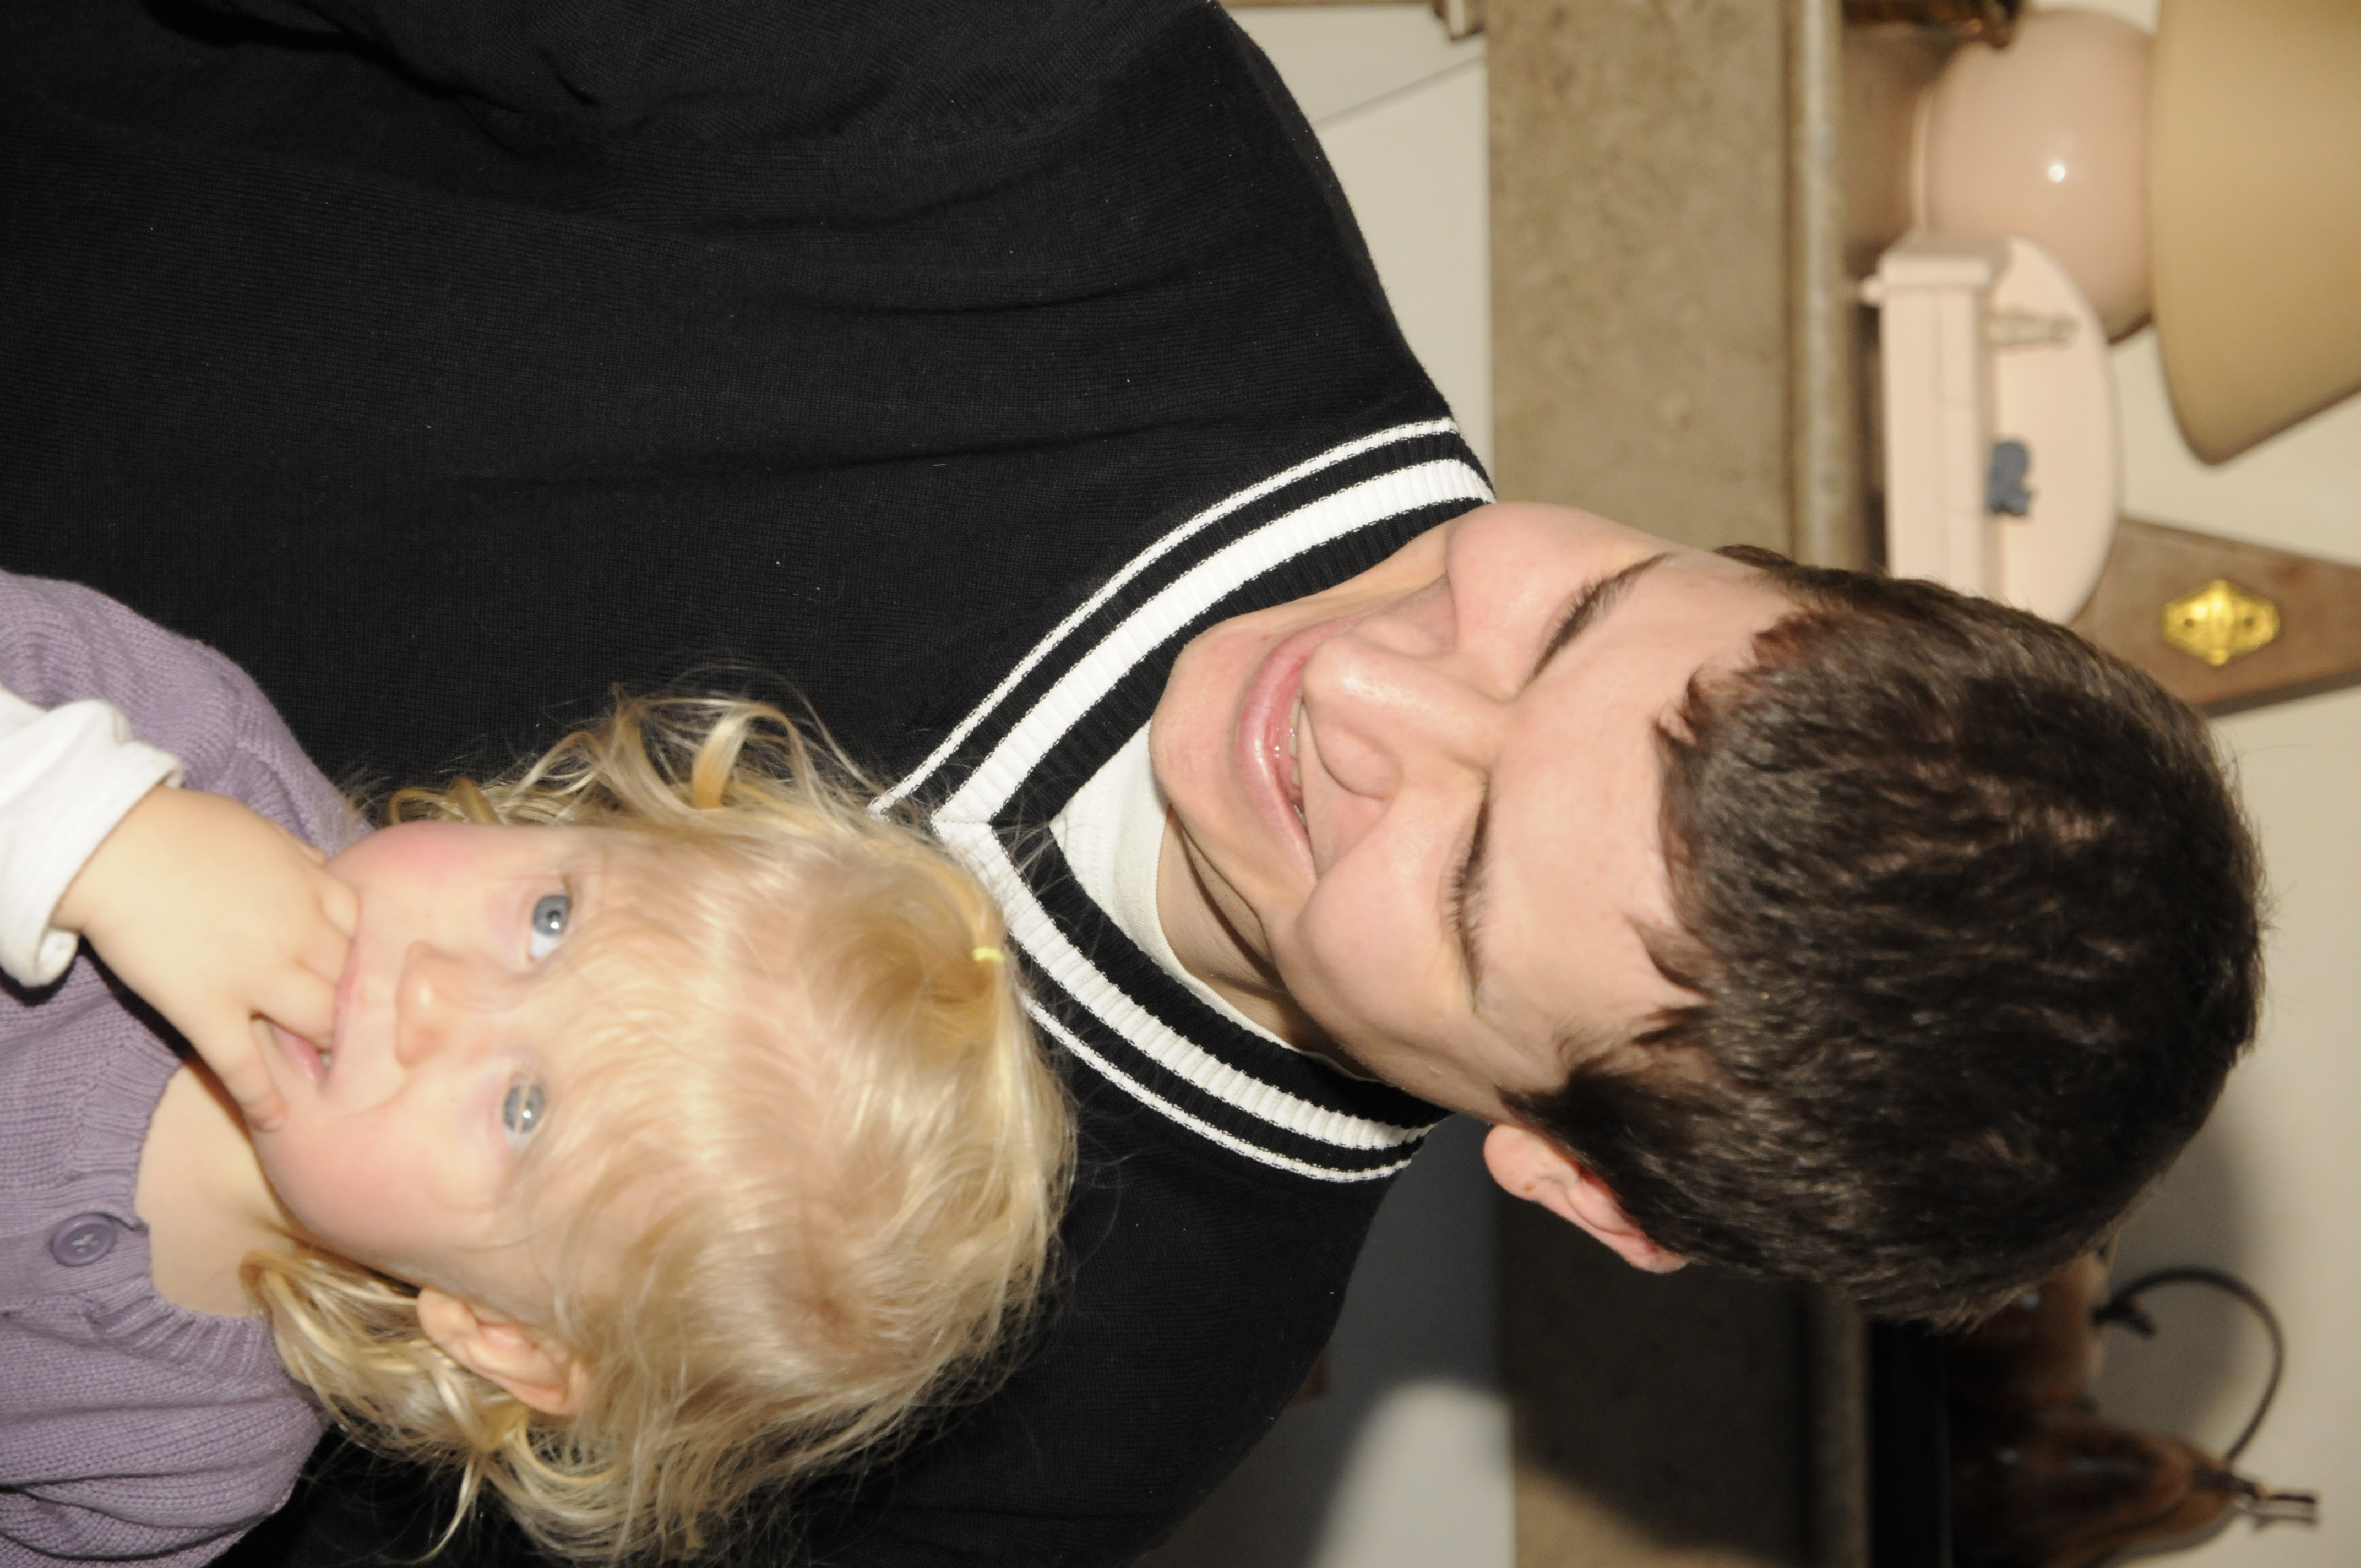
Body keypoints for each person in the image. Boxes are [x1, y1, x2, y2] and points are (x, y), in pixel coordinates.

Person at [0, 0, 2260, 1561]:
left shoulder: (1061, 1418)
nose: (1365, 693)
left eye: (1462, 875)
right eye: (1563, 618)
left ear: (1582, 1186)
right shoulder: (1064, 114)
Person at [0, 571, 1070, 1564]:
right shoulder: (180, 751)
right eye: (549, 921)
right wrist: (75, 827)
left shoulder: (178, 1465)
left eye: (523, 1110)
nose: (432, 991)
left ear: (505, 1333)